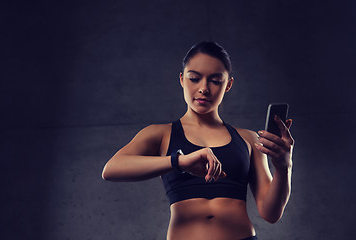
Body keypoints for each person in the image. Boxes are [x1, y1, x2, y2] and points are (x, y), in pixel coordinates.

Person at [102, 41, 294, 240]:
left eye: (215, 80)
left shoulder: (247, 138)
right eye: (194, 78)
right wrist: (179, 161)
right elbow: (111, 169)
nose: (204, 88)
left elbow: (270, 214)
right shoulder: (161, 134)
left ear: (228, 84)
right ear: (182, 80)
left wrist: (283, 166)